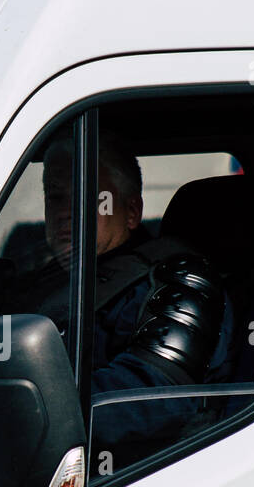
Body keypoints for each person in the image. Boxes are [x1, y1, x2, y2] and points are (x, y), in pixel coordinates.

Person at [30, 132, 237, 459]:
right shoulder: (39, 283)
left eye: (87, 195)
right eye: (55, 197)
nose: (65, 213)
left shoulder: (179, 284)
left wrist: (19, 410)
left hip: (125, 482)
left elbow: (148, 398)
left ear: (131, 212)